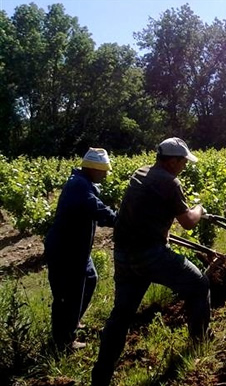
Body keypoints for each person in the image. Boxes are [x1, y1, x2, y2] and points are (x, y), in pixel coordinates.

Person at [92, 137, 210, 386]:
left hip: (124, 254)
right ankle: (200, 343)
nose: (185, 166)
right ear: (172, 161)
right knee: (198, 285)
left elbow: (144, 209)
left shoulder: (141, 172)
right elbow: (188, 222)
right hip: (150, 254)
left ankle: (100, 376)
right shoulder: (170, 181)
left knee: (121, 315)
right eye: (183, 162)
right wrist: (200, 209)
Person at [44, 148, 117, 351]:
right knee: (68, 295)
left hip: (77, 249)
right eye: (104, 171)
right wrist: (121, 220)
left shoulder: (83, 182)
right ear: (94, 168)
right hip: (65, 251)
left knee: (90, 279)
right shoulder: (79, 187)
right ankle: (64, 341)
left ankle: (72, 321)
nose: (106, 175)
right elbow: (99, 211)